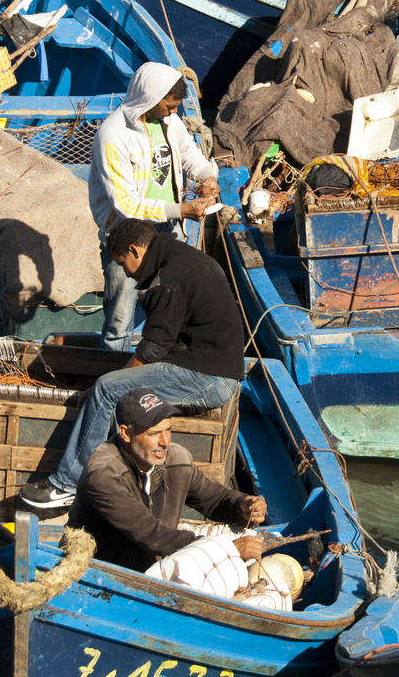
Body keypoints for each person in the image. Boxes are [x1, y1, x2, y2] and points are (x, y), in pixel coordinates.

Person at [20, 218, 244, 509]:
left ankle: (68, 485)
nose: (124, 271)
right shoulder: (181, 256)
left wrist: (106, 390)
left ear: (135, 250)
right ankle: (118, 478)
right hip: (205, 363)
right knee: (113, 383)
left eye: (121, 262)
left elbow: (151, 349)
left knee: (107, 388)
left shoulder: (168, 280)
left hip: (209, 378)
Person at [90, 62, 220, 352]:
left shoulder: (169, 122)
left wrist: (207, 176)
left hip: (168, 229)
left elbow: (188, 153)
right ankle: (112, 373)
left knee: (174, 303)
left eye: (176, 107)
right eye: (169, 106)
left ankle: (165, 363)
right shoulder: (112, 136)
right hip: (127, 234)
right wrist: (182, 210)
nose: (175, 112)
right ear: (149, 99)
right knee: (119, 319)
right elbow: (126, 204)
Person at [66, 388, 266, 572]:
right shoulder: (105, 475)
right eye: (154, 433)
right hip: (100, 575)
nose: (165, 441)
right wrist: (227, 550)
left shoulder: (176, 460)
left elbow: (215, 498)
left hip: (155, 568)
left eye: (168, 430)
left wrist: (242, 505)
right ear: (126, 433)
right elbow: (154, 535)